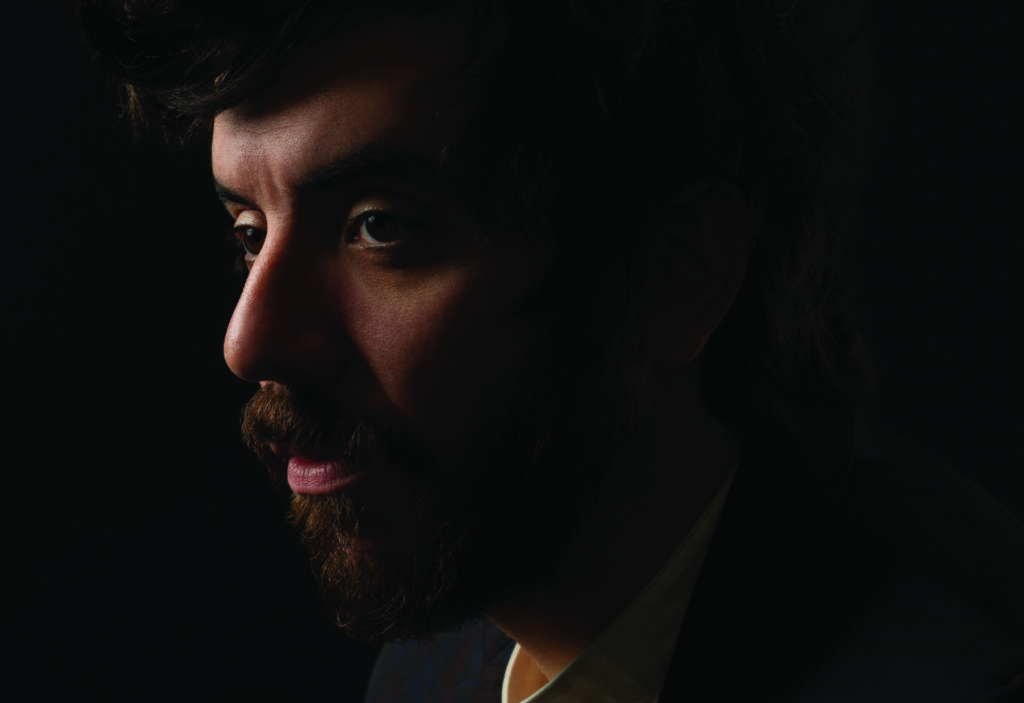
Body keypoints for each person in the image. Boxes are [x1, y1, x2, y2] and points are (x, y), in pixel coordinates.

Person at [78, 0, 1024, 700]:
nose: (251, 338)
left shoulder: (956, 671)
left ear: (677, 273)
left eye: (379, 227)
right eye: (250, 231)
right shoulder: (435, 668)